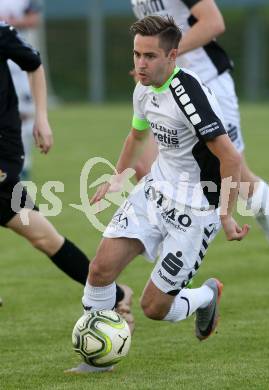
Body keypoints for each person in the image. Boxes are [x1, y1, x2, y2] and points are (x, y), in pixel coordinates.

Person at [68, 15, 249, 373]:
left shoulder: (189, 95)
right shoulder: (143, 87)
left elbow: (230, 156)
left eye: (149, 57)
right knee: (100, 269)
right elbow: (136, 135)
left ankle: (205, 296)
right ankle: (98, 361)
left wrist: (225, 215)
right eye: (137, 55)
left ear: (173, 56)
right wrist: (118, 176)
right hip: (155, 192)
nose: (140, 64)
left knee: (155, 308)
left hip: (197, 210)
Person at [130, 0, 269, 308]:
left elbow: (213, 22)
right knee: (144, 167)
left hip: (207, 86)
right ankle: (177, 276)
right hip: (165, 91)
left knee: (238, 178)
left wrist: (166, 54)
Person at [0, 21, 134, 330]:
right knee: (44, 238)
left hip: (3, 151)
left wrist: (41, 118)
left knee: (43, 237)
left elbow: (33, 64)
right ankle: (116, 294)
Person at [0, 0, 41, 180]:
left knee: (25, 114)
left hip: (18, 59)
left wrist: (10, 23)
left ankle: (24, 165)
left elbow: (34, 19)